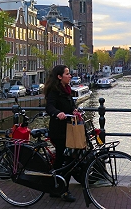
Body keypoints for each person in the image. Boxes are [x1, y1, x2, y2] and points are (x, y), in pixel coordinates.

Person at [44, 65, 77, 203]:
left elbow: (70, 105)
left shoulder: (67, 90)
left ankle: (56, 187)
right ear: (59, 76)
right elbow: (49, 106)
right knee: (66, 159)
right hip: (59, 131)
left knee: (62, 160)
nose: (70, 76)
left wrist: (75, 110)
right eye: (67, 74)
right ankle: (63, 189)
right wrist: (58, 113)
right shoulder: (54, 91)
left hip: (68, 129)